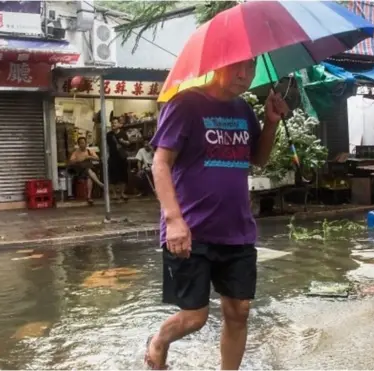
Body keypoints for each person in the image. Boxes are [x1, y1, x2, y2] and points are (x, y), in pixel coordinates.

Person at [144, 58, 288, 370]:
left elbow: (258, 159)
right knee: (195, 317)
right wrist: (173, 220)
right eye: (236, 66)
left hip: (237, 230)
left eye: (250, 68)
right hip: (191, 230)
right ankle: (159, 340)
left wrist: (272, 122)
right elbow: (160, 163)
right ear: (217, 64)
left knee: (239, 312)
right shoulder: (185, 105)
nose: (243, 74)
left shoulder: (243, 109)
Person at [69, 136, 103, 205]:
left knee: (89, 176)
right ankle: (100, 184)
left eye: (84, 143)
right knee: (88, 170)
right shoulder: (76, 152)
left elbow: (97, 158)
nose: (82, 145)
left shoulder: (89, 151)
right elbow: (71, 161)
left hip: (88, 171)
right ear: (78, 144)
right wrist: (79, 159)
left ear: (86, 143)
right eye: (81, 143)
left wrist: (89, 157)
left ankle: (89, 197)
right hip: (80, 171)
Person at [106, 116, 130, 201]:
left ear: (118, 124)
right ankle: (114, 194)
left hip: (122, 157)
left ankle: (122, 193)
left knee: (123, 176)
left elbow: (128, 143)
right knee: (112, 176)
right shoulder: (108, 135)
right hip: (112, 157)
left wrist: (123, 141)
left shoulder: (123, 133)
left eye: (115, 123)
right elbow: (106, 147)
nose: (113, 124)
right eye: (112, 123)